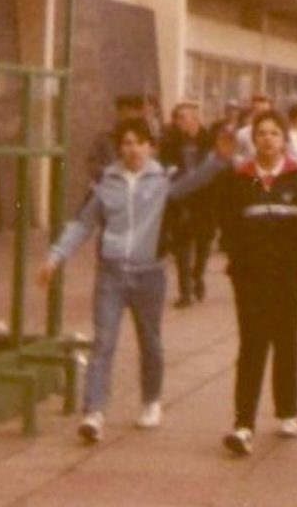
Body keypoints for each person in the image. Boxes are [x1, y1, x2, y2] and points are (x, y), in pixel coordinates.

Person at [38, 118, 232, 443]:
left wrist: (218, 160)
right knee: (103, 342)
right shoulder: (104, 182)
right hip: (111, 273)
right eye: (126, 143)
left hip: (149, 273)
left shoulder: (162, 180)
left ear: (150, 146)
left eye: (138, 142)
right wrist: (56, 256)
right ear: (119, 147)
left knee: (151, 343)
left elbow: (194, 181)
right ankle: (94, 413)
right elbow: (83, 224)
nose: (132, 149)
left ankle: (151, 400)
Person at [219, 111, 297, 456]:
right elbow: (227, 222)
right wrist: (235, 256)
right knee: (251, 345)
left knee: (285, 339)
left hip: (289, 275)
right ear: (254, 140)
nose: (267, 139)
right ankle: (243, 424)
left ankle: (287, 411)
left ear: (284, 140)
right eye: (261, 134)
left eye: (274, 134)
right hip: (250, 277)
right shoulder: (241, 179)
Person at [159, 101, 215, 308]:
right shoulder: (171, 140)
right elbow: (164, 162)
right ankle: (185, 292)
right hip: (181, 198)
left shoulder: (210, 139)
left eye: (182, 117)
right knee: (182, 244)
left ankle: (197, 275)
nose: (178, 122)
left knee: (203, 243)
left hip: (205, 199)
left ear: (195, 118)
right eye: (176, 118)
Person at [87, 94, 147, 183]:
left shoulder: (146, 140)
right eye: (125, 111)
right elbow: (93, 164)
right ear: (119, 113)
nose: (129, 115)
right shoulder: (104, 139)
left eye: (134, 110)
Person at [234, 94, 273, 166]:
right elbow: (235, 155)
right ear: (252, 112)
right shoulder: (242, 133)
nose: (262, 115)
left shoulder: (277, 134)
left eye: (265, 111)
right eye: (258, 111)